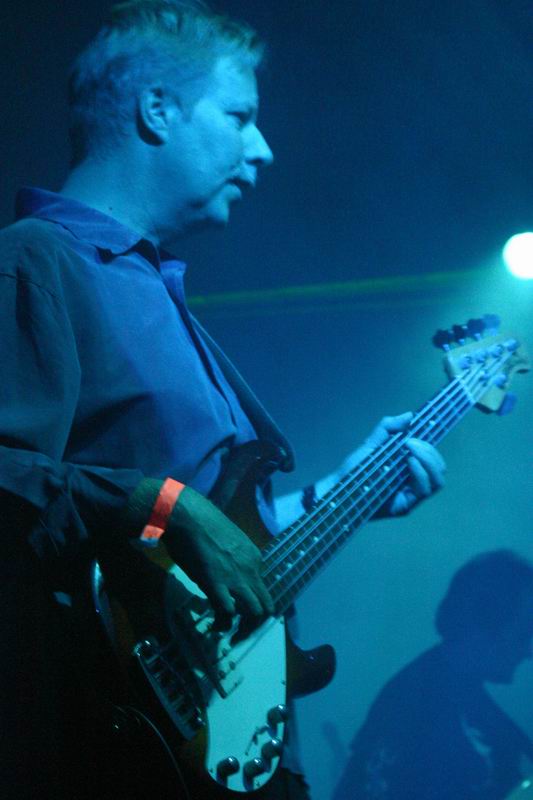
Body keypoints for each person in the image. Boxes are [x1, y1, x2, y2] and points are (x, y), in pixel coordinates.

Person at [0, 2, 446, 798]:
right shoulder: (39, 260)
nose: (263, 147)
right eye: (239, 115)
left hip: (228, 742)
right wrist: (162, 503)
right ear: (157, 109)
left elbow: (213, 543)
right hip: (116, 744)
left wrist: (344, 492)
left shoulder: (155, 290)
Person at [333, 550, 533, 800]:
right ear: (488, 621)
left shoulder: (463, 694)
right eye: (524, 633)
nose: (529, 651)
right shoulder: (410, 701)